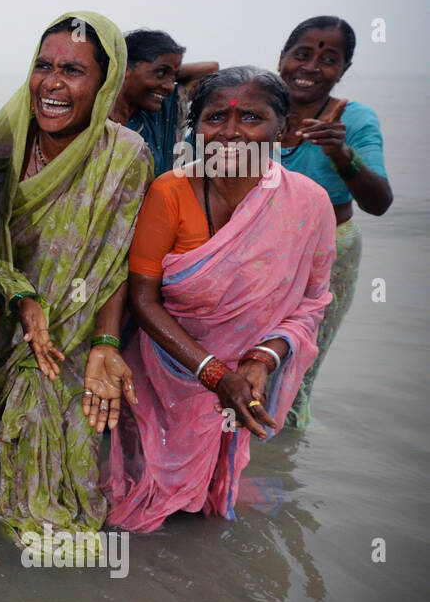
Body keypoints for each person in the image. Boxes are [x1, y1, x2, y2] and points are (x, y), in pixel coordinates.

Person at [107, 67, 335, 532]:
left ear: (282, 128)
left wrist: (260, 360)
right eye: (214, 118)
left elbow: (312, 303)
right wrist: (215, 374)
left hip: (244, 377)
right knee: (138, 495)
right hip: (166, 368)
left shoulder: (309, 203)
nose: (230, 132)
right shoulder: (169, 191)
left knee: (205, 509)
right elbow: (143, 300)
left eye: (251, 117)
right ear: (195, 128)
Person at [0, 11, 150, 557]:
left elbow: (116, 264)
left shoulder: (126, 156)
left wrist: (107, 345)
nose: (53, 83)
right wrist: (21, 298)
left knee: (55, 524)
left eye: (74, 71)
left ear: (105, 83)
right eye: (43, 66)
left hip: (69, 343)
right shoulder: (3, 141)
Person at [274, 16, 392, 428]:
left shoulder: (354, 120)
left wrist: (343, 155)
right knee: (246, 356)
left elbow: (379, 202)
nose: (310, 68)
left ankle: (282, 465)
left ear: (343, 70)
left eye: (328, 59)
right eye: (302, 55)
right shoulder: (259, 108)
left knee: (299, 363)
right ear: (282, 59)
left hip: (328, 251)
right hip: (257, 252)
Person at [108, 29, 218, 176]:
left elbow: (211, 70)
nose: (170, 86)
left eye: (173, 78)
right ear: (126, 68)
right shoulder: (91, 117)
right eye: (161, 73)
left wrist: (169, 69)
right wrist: (115, 69)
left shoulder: (159, 113)